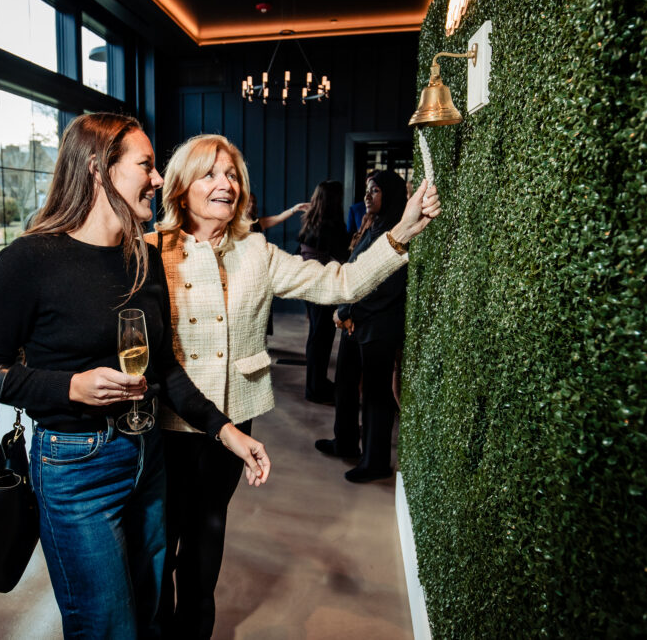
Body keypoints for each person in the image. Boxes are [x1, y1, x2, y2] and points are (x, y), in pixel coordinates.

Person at [0, 114, 271, 640]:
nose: (156, 179)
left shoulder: (142, 258)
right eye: (146, 166)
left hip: (146, 456)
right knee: (107, 625)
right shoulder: (29, 259)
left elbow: (165, 368)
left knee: (149, 611)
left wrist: (227, 432)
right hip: (74, 466)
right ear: (98, 168)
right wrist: (69, 387)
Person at [147, 134, 441, 638]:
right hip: (166, 422)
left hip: (233, 417)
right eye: (211, 174)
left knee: (205, 537)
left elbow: (340, 283)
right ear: (180, 187)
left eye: (233, 174)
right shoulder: (150, 250)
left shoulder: (256, 250)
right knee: (157, 544)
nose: (227, 184)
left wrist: (400, 233)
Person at [315, 169, 410, 483]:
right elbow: (356, 269)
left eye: (375, 191)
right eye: (368, 190)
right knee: (344, 383)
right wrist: (346, 309)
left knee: (375, 396)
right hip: (355, 320)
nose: (368, 196)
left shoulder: (397, 232)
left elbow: (386, 285)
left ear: (390, 195)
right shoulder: (375, 225)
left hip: (377, 325)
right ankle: (345, 441)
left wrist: (350, 311)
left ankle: (375, 461)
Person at [297, 180, 350, 403]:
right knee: (322, 339)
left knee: (315, 337)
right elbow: (343, 253)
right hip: (322, 286)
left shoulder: (310, 220)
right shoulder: (332, 225)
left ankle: (315, 383)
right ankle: (315, 389)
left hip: (309, 283)